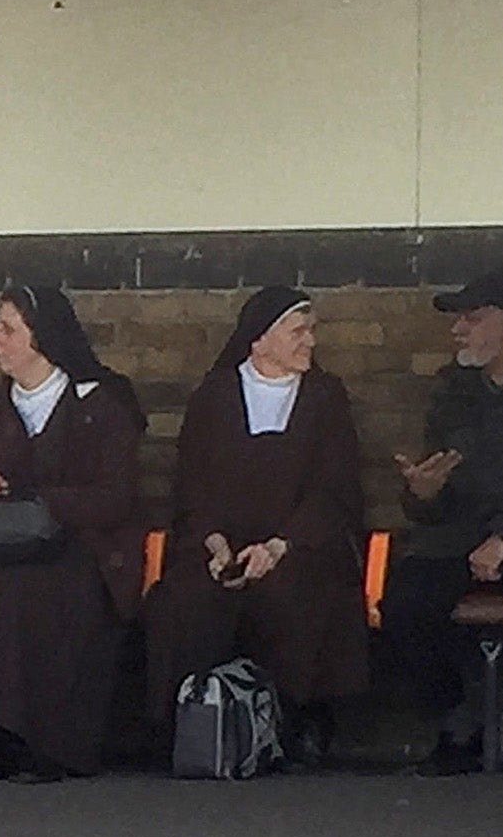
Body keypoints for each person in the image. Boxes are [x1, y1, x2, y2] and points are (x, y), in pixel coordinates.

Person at [143, 286, 369, 767]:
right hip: (219, 546)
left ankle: (297, 721)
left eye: (311, 331)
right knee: (187, 601)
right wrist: (216, 544)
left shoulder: (325, 397)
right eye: (298, 331)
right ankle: (189, 720)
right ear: (259, 341)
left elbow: (334, 488)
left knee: (295, 596)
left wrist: (280, 546)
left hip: (300, 546)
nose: (309, 341)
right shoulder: (215, 396)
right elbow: (191, 484)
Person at [0, 286, 145, 782]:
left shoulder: (103, 405)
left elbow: (116, 496)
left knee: (37, 595)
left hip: (84, 546)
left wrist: (39, 500)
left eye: (7, 329)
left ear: (42, 337)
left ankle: (46, 741)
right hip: (5, 545)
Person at [382, 274, 503, 776]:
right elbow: (433, 488)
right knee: (405, 605)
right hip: (457, 535)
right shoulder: (452, 391)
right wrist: (423, 494)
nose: (458, 330)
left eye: (473, 318)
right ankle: (457, 717)